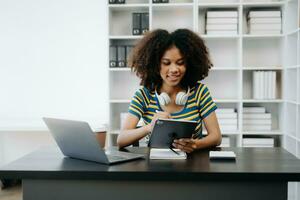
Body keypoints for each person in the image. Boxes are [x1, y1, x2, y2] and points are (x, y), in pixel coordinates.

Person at [117, 29, 221, 153]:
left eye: (180, 63)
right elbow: (121, 139)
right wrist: (150, 127)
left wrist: (195, 144)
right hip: (155, 166)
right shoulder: (143, 95)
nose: (174, 69)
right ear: (155, 65)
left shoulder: (200, 92)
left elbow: (216, 137)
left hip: (192, 164)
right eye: (166, 63)